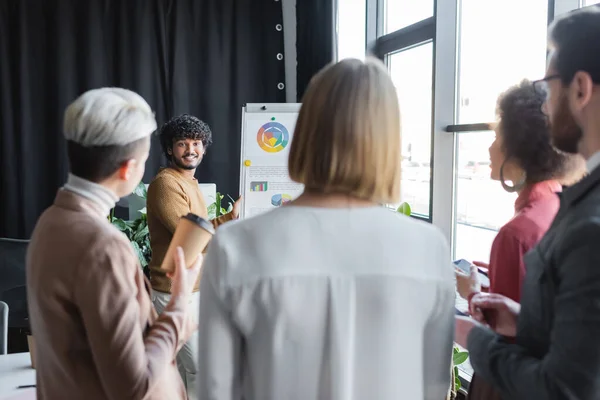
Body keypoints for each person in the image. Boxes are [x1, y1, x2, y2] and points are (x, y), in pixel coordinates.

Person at [197, 57, 455, 400]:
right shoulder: (428, 248)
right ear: (388, 143)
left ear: (305, 132)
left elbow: (217, 389)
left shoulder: (236, 245)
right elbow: (434, 387)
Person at [455, 6, 600, 399]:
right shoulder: (573, 202)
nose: (545, 106)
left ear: (581, 88)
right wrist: (526, 320)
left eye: (548, 84)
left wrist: (475, 339)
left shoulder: (580, 223)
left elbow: (561, 388)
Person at [26, 88, 202, 400]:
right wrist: (177, 314)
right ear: (127, 168)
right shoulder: (102, 246)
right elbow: (131, 386)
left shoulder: (50, 221)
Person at [146, 114, 241, 398]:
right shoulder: (166, 184)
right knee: (199, 368)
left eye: (197, 143)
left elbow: (199, 230)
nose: (191, 149)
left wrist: (230, 218)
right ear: (169, 149)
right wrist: (230, 220)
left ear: (205, 147)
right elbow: (189, 235)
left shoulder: (189, 182)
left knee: (195, 369)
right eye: (182, 143)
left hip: (194, 286)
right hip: (173, 289)